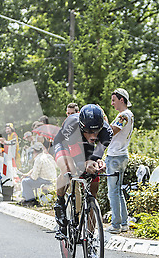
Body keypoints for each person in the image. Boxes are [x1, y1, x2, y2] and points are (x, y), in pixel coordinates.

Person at [53, 104, 113, 238]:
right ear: (82, 127)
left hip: (87, 149)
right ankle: (60, 202)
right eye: (89, 132)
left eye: (96, 131)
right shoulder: (72, 127)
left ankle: (90, 238)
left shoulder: (107, 132)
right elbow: (77, 162)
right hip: (64, 145)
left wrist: (97, 162)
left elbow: (97, 155)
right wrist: (85, 164)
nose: (93, 135)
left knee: (94, 186)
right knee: (69, 170)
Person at [105, 88, 134, 234]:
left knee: (113, 192)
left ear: (121, 100)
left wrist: (103, 123)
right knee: (118, 191)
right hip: (122, 155)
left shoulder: (124, 115)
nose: (112, 103)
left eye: (114, 100)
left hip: (115, 156)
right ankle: (123, 223)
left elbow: (111, 132)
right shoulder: (128, 115)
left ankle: (116, 225)